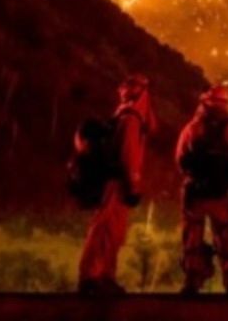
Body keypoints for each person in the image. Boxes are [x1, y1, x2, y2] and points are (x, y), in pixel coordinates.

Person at [77, 73, 156, 295]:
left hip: (114, 182)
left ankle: (102, 276)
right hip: (117, 184)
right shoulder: (130, 119)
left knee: (112, 232)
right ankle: (92, 277)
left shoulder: (123, 116)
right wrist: (133, 185)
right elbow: (128, 155)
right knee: (105, 230)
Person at [175, 84, 228, 295]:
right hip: (220, 193)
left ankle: (192, 281)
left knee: (192, 236)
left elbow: (180, 158)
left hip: (195, 192)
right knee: (224, 236)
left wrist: (193, 178)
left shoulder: (192, 127)